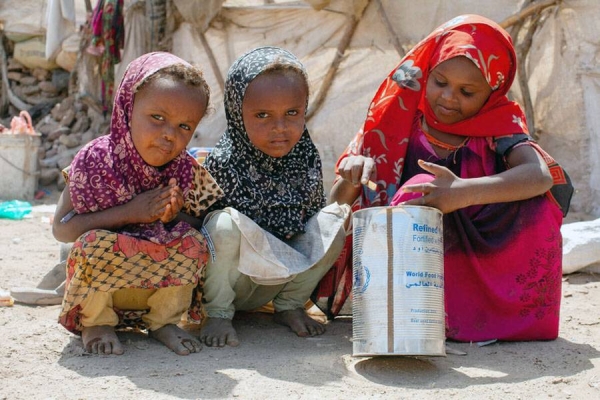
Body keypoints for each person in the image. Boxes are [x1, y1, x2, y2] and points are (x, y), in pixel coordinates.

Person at [312, 14, 574, 342]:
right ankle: (409, 318)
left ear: (492, 92)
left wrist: (462, 192)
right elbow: (338, 203)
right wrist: (353, 174)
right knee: (413, 192)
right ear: (427, 71)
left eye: (467, 92)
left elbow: (539, 175)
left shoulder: (498, 127)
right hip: (414, 256)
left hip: (479, 253)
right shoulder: (395, 120)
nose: (449, 98)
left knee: (538, 206)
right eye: (440, 82)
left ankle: (499, 320)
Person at [52, 52, 223, 355]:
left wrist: (175, 216)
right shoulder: (96, 159)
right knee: (94, 242)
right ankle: (97, 322)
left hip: (153, 290)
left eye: (185, 127)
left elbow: (204, 225)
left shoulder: (184, 169)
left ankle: (162, 322)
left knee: (194, 242)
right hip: (102, 293)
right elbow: (62, 230)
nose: (169, 135)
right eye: (157, 118)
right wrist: (131, 213)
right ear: (128, 109)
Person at [199, 46, 349, 347]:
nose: (279, 128)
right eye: (263, 115)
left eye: (292, 113)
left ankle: (289, 305)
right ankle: (218, 313)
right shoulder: (223, 160)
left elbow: (310, 222)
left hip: (281, 278)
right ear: (236, 112)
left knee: (333, 223)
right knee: (222, 226)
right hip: (233, 280)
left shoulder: (305, 156)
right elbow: (204, 238)